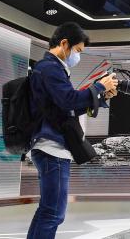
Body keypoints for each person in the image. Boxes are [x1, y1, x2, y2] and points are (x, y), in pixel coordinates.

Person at [27, 22, 119, 239]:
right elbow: (68, 100)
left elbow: (66, 108)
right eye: (77, 51)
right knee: (53, 213)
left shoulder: (51, 69)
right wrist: (98, 87)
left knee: (48, 211)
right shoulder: (49, 68)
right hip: (52, 149)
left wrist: (102, 96)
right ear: (64, 43)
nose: (78, 56)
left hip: (52, 148)